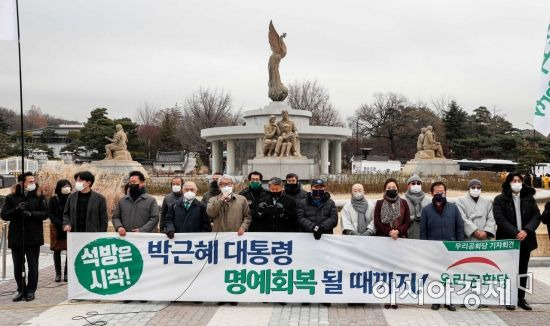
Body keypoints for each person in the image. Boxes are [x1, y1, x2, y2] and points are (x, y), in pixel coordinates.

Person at [493, 172, 540, 311]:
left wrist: (526, 230)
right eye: (513, 180)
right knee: (508, 270)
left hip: (525, 239)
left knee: (522, 269)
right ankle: (508, 297)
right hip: (508, 240)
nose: (516, 183)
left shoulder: (529, 198)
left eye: (519, 180)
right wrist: (515, 232)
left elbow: (536, 215)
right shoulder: (500, 199)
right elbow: (499, 219)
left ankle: (521, 297)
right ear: (508, 182)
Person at [1, 172, 47, 302]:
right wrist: (16, 209)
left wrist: (31, 214)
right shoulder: (11, 197)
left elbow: (45, 214)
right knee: (18, 265)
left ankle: (31, 290)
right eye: (30, 181)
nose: (33, 183)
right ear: (22, 183)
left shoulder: (39, 196)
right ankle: (21, 289)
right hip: (17, 236)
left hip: (33, 236)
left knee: (33, 265)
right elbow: (4, 215)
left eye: (34, 181)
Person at [420, 181, 463, 311]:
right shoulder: (426, 210)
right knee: (435, 275)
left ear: (446, 192)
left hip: (450, 246)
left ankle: (449, 301)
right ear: (432, 193)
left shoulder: (453, 208)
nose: (440, 194)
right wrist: (425, 247)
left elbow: (459, 227)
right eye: (437, 192)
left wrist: (458, 245)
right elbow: (423, 231)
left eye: (442, 192)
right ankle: (436, 300)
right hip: (434, 248)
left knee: (449, 275)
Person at [112, 171, 159, 236]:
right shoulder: (122, 201)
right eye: (130, 182)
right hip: (125, 238)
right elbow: (115, 217)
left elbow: (155, 218)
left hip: (144, 238)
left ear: (142, 183)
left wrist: (142, 230)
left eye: (134, 182)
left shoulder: (151, 200)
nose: (131, 184)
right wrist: (119, 227)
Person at [47, 179, 72, 282]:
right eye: (64, 186)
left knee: (69, 251)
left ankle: (67, 273)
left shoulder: (72, 198)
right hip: (56, 228)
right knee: (57, 250)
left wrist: (67, 224)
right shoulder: (53, 199)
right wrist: (60, 224)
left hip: (69, 227)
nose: (67, 188)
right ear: (59, 188)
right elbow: (50, 213)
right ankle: (58, 273)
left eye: (68, 185)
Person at [403, 174, 431, 239]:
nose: (416, 185)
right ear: (408, 186)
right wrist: (414, 217)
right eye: (413, 183)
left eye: (418, 183)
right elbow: (400, 218)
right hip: (407, 235)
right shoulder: (403, 200)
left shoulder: (428, 200)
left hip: (424, 235)